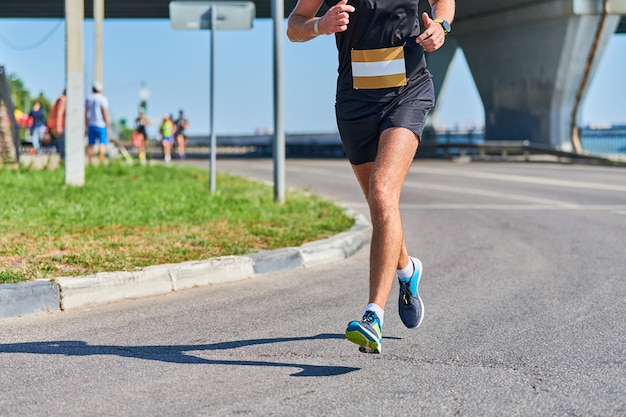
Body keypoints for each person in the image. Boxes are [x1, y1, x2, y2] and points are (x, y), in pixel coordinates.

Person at [287, 0, 455, 353]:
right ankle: (407, 270)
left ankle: (372, 316)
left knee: (381, 193)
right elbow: (294, 25)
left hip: (406, 92)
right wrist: (320, 25)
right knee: (382, 206)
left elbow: (446, 3)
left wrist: (440, 25)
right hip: (355, 104)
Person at [85, 82, 111, 165]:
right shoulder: (102, 99)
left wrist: (86, 123)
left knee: (90, 144)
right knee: (102, 144)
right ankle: (101, 163)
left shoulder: (89, 98)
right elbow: (105, 113)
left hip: (91, 124)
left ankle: (89, 162)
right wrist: (108, 126)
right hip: (101, 125)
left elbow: (85, 112)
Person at [47, 90, 67, 159]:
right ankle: (63, 160)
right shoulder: (63, 99)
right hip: (61, 125)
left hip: (57, 125)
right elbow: (59, 113)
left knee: (61, 143)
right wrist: (59, 126)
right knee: (62, 144)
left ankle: (63, 159)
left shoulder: (61, 98)